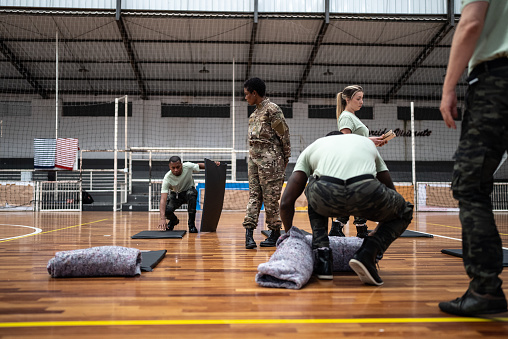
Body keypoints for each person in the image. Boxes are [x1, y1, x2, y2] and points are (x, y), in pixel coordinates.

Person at [439, 0, 508, 316]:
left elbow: (470, 22)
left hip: (497, 79)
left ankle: (485, 289)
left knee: (469, 184)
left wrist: (449, 87)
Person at [279, 131, 413, 284]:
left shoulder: (312, 147)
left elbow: (286, 202)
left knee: (313, 189)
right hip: (366, 191)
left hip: (326, 195)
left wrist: (289, 235)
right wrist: (376, 235)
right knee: (405, 210)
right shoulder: (366, 143)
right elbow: (391, 193)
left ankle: (322, 257)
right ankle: (368, 253)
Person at [331, 85, 388, 238]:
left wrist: (373, 142)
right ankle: (341, 227)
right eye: (358, 98)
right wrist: (370, 140)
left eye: (362, 98)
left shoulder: (352, 116)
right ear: (348, 100)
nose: (362, 101)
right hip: (354, 162)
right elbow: (346, 140)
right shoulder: (346, 117)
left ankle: (351, 228)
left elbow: (357, 140)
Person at [242, 77, 291, 249]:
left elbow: (284, 135)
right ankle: (249, 233)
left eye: (247, 94)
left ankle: (275, 232)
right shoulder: (254, 114)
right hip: (254, 161)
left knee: (270, 199)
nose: (246, 97)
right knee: (254, 197)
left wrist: (285, 159)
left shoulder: (272, 109)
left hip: (271, 161)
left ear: (255, 93)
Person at [158, 156, 219, 233]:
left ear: (181, 165)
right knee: (166, 210)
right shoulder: (167, 178)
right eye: (173, 168)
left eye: (178, 167)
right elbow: (163, 199)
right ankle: (174, 221)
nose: (176, 170)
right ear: (170, 167)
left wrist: (213, 165)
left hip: (188, 192)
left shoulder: (188, 166)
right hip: (176, 195)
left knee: (192, 193)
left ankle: (191, 225)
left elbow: (199, 165)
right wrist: (162, 219)